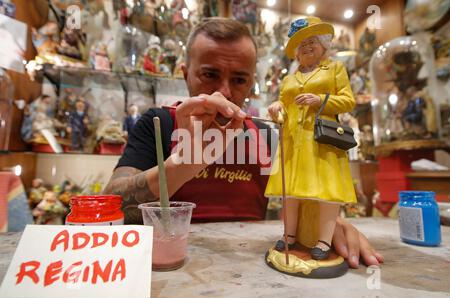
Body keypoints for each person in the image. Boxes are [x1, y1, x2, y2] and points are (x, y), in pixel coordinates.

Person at [103, 18, 383, 268]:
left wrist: (326, 225)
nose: (224, 91)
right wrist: (183, 162)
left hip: (255, 275)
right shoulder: (159, 123)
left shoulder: (269, 135)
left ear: (252, 83)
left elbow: (292, 202)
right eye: (210, 75)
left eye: (239, 80)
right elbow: (105, 211)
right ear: (184, 72)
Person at [265, 17, 358, 260]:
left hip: (322, 141)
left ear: (324, 44)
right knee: (291, 192)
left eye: (312, 41)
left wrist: (322, 101)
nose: (307, 46)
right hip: (293, 142)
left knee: (327, 193)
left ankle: (324, 241)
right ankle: (289, 235)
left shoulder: (335, 69)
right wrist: (276, 108)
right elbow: (284, 107)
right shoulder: (288, 79)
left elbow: (348, 101)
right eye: (301, 43)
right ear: (295, 52)